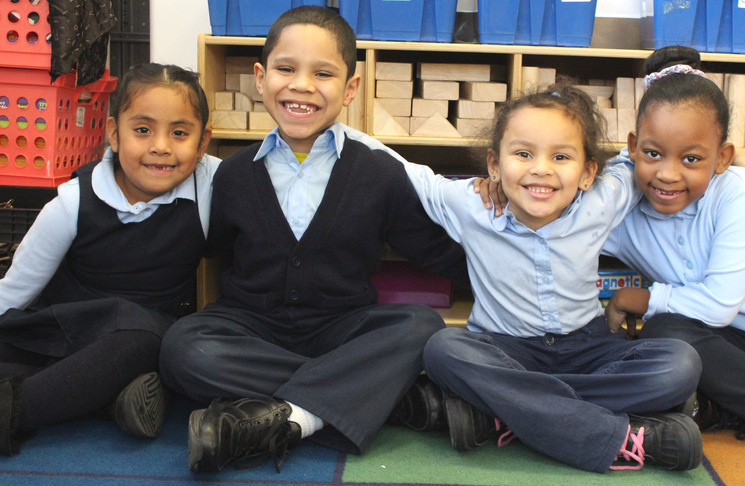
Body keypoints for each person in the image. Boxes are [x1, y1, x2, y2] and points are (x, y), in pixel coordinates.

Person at [157, 6, 467, 474]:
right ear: (260, 78)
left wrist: (505, 264)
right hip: (252, 327)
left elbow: (431, 248)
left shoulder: (378, 172)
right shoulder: (234, 174)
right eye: (286, 69)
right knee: (183, 347)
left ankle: (285, 418)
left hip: (342, 330)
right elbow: (212, 248)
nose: (301, 85)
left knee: (421, 327)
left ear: (350, 88)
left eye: (322, 73)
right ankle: (391, 401)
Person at [400, 84, 704, 473]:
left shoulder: (603, 197)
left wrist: (742, 155)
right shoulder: (469, 204)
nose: (541, 168)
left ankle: (503, 412)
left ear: (588, 171)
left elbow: (651, 152)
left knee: (679, 364)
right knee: (444, 349)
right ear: (494, 165)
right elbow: (396, 168)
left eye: (561, 156)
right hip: (506, 349)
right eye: (523, 154)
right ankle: (620, 435)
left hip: (587, 349)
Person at [0, 63, 218, 454]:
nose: (161, 146)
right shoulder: (72, 202)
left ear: (204, 143)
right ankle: (106, 399)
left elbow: (274, 175)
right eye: (142, 130)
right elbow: (15, 291)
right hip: (65, 329)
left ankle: (17, 411)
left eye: (180, 133)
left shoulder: (213, 185)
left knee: (149, 344)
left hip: (141, 338)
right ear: (115, 134)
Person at [601, 45, 745, 446]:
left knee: (669, 341)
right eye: (653, 154)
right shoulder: (621, 205)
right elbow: (560, 205)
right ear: (633, 147)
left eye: (691, 159)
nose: (668, 174)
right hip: (722, 348)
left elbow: (718, 305)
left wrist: (633, 298)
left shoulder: (739, 190)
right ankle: (731, 404)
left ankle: (732, 406)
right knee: (667, 335)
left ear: (723, 157)